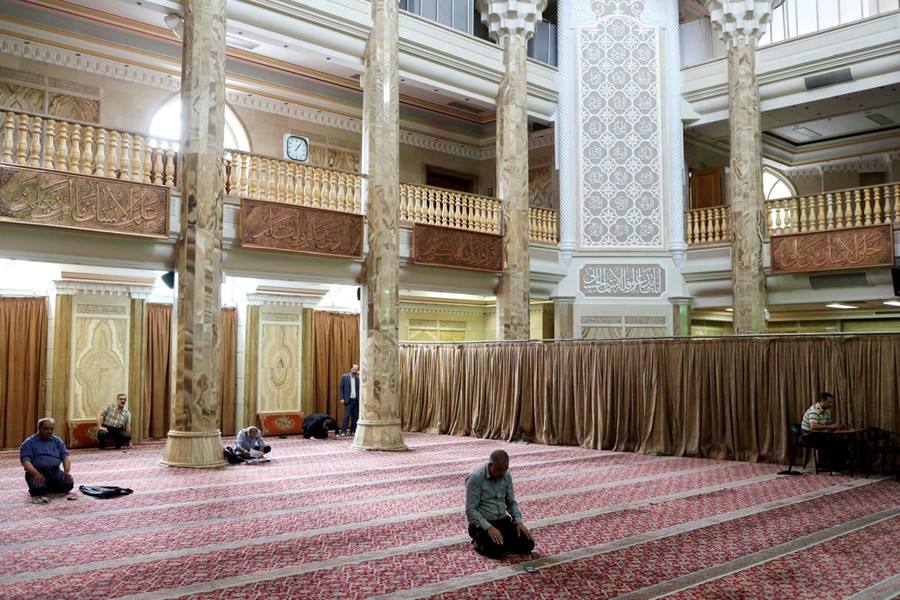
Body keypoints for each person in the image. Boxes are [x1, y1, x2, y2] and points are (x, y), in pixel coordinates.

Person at [465, 449, 534, 559]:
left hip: (502, 521)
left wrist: (518, 522)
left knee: (528, 544)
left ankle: (502, 542)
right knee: (495, 551)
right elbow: (470, 509)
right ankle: (478, 542)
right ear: (491, 465)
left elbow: (511, 502)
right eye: (499, 470)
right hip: (482, 525)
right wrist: (489, 528)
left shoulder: (506, 475)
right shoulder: (475, 477)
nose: (503, 474)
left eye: (505, 470)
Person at [20, 418, 75, 496]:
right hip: (37, 472)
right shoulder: (29, 443)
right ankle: (47, 485)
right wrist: (36, 474)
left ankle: (47, 485)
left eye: (51, 429)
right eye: (46, 429)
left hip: (55, 471)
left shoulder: (57, 441)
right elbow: (25, 461)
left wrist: (66, 471)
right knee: (38, 490)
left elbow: (65, 456)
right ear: (39, 429)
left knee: (68, 484)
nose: (49, 431)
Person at [801, 392, 849, 470]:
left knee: (843, 441)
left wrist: (837, 426)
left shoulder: (826, 410)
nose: (831, 404)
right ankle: (834, 466)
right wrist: (830, 426)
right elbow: (813, 426)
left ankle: (839, 465)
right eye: (829, 402)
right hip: (809, 435)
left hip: (820, 434)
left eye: (832, 402)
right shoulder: (815, 410)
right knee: (833, 442)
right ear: (822, 401)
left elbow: (827, 424)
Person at [339, 364, 360, 437]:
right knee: (346, 416)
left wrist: (360, 376)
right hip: (348, 401)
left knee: (355, 417)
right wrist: (342, 398)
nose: (354, 371)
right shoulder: (345, 377)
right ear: (351, 369)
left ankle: (353, 431)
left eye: (356, 370)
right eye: (353, 369)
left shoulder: (358, 379)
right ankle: (343, 432)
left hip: (356, 401)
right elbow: (341, 388)